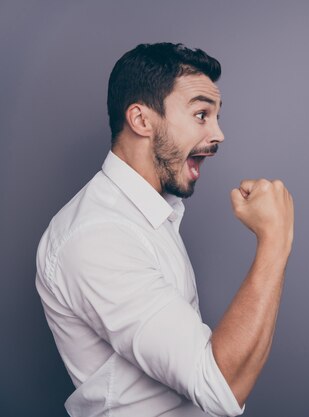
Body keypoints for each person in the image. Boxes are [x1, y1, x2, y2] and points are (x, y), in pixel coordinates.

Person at [34, 42, 294, 417]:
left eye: (217, 116)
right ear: (141, 120)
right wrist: (275, 241)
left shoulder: (151, 213)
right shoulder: (97, 236)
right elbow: (221, 386)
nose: (219, 133)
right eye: (202, 114)